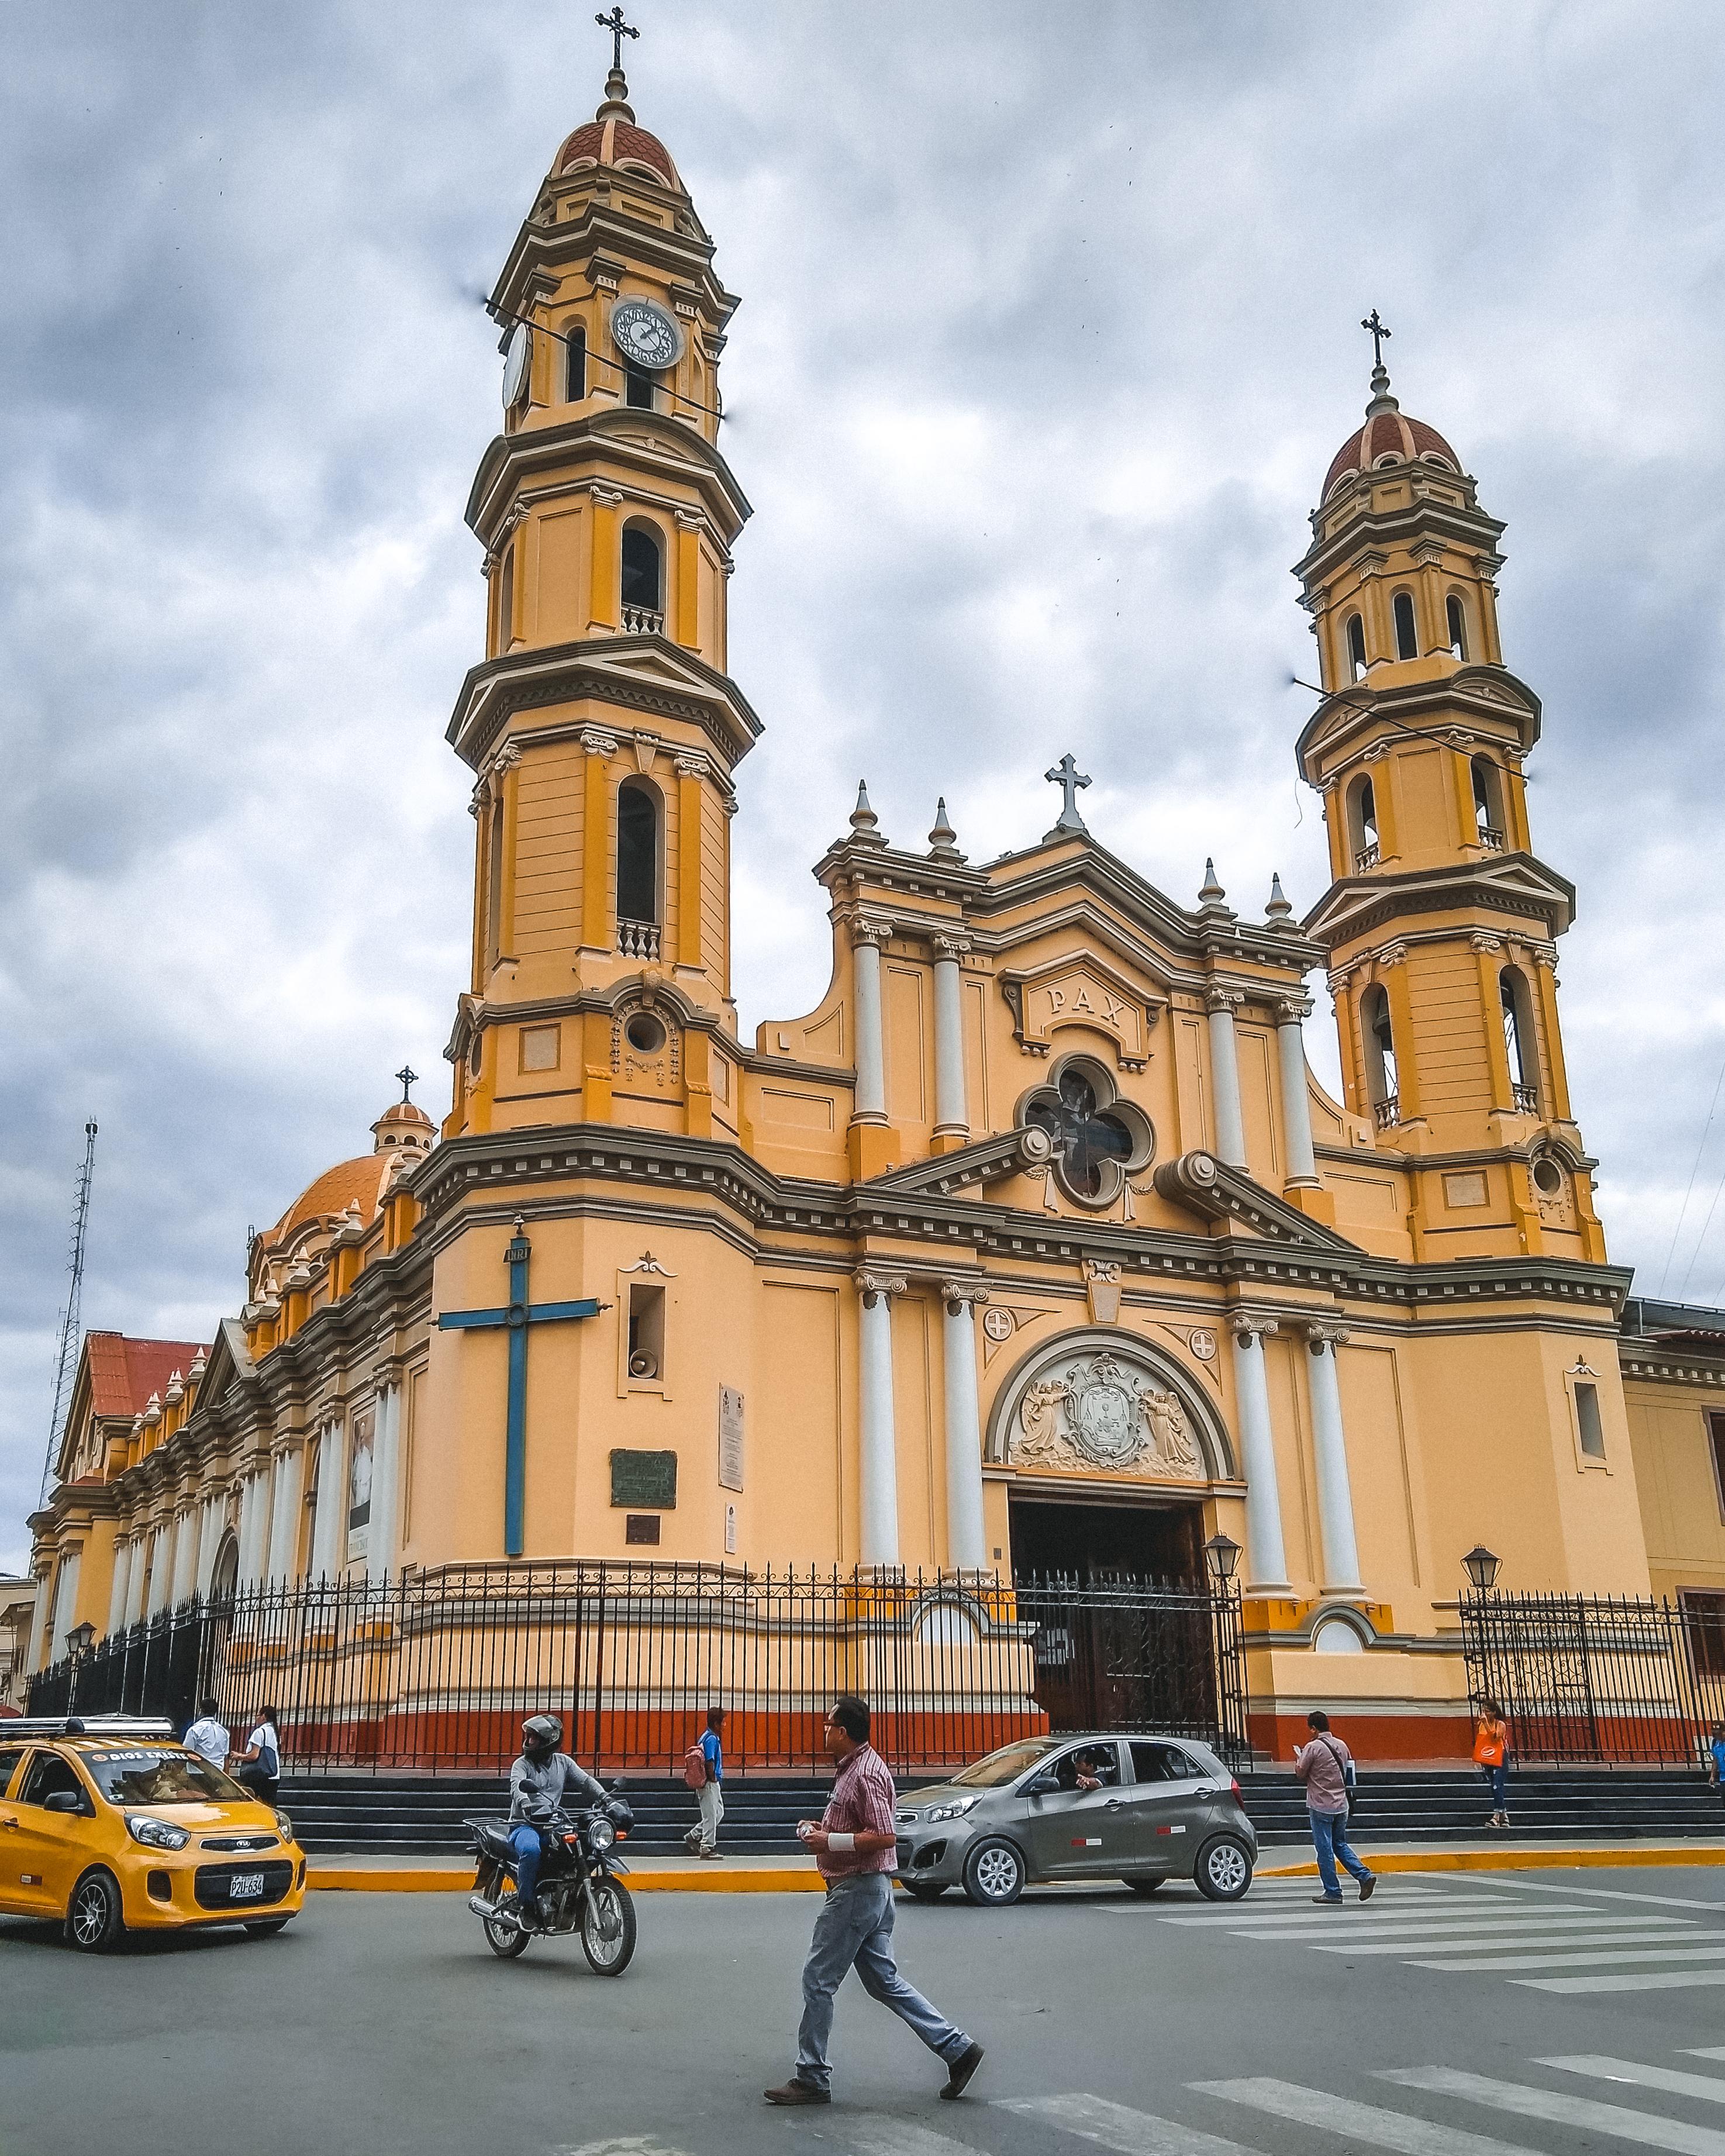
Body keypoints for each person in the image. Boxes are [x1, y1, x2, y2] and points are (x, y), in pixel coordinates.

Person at [764, 1695, 984, 2108]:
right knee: (885, 1981)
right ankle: (958, 2048)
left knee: (818, 1979)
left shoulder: (864, 1773)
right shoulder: (854, 1769)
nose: (824, 1730)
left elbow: (884, 1834)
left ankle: (811, 2075)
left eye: (828, 1724)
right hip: (870, 1892)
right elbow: (860, 1825)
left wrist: (829, 1840)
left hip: (857, 1891)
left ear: (843, 1731)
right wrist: (821, 1829)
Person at [506, 1713, 607, 1930]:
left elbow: (586, 1782)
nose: (529, 1742)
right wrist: (527, 1805)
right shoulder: (521, 1765)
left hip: (553, 1825)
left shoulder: (563, 1763)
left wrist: (606, 1798)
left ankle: (565, 1896)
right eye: (528, 1737)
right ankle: (527, 1906)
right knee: (531, 1850)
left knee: (578, 1846)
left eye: (534, 1738)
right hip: (524, 1825)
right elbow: (518, 1788)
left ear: (548, 1741)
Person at [1293, 1710, 1375, 1906]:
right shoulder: (1342, 1745)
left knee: (1325, 1849)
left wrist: (1298, 1758)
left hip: (1321, 1805)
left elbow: (1301, 1772)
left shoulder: (1312, 1748)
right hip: (1341, 1804)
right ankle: (1364, 1876)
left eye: (1310, 1729)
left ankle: (1333, 1891)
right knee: (1340, 1844)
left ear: (1313, 1729)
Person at [684, 1705, 726, 1860]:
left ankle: (694, 1835)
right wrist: (713, 1778)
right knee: (710, 1816)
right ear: (716, 1723)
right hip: (709, 1783)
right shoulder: (712, 1739)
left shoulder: (706, 1736)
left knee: (718, 1813)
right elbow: (709, 1761)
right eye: (723, 1722)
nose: (724, 1725)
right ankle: (707, 1847)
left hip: (711, 1782)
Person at [229, 1704, 282, 1805]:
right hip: (274, 1776)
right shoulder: (275, 1732)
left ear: (264, 1716)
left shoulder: (260, 1732)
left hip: (259, 1777)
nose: (256, 1719)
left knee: (255, 1804)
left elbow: (254, 1755)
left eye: (257, 1716)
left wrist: (239, 1756)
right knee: (270, 1805)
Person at [1473, 1696, 1512, 1829]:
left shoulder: (1500, 1724)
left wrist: (1487, 1724)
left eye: (1488, 1711)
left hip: (1500, 1756)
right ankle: (1504, 1815)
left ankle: (1496, 1816)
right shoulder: (1480, 1725)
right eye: (1484, 1711)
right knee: (1493, 1784)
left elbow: (1494, 1738)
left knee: (1497, 1784)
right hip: (1487, 1756)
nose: (1485, 1713)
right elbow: (1482, 1742)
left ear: (1494, 1712)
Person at [182, 1696, 229, 1772]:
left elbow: (185, 1752)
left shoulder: (195, 1730)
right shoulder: (224, 1732)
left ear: (201, 1710)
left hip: (198, 1774)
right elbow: (226, 1757)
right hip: (218, 1774)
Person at [1707, 1721, 1725, 1809]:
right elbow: (1715, 1760)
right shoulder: (1715, 1743)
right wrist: (1712, 1775)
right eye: (1715, 1733)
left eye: (1719, 1733)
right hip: (1723, 1777)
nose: (1717, 1736)